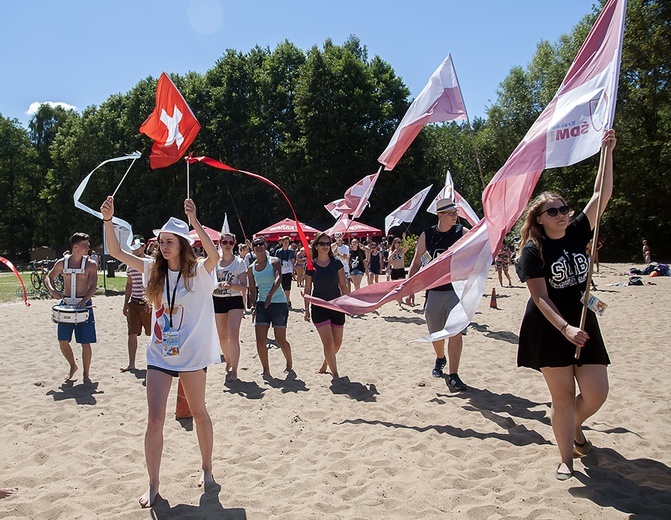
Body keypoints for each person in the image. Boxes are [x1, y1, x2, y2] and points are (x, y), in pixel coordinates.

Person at [101, 196, 220, 508]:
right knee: (155, 419)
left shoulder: (199, 273)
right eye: (160, 241)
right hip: (159, 355)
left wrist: (194, 222)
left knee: (198, 412)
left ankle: (207, 469)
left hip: (192, 355)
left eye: (169, 241)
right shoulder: (152, 268)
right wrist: (108, 220)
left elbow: (214, 254)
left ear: (182, 244)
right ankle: (153, 484)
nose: (163, 246)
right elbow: (115, 251)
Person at [516, 130, 616, 481]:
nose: (561, 214)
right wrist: (565, 328)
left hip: (584, 319)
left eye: (563, 209)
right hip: (551, 326)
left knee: (596, 392)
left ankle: (572, 425)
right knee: (562, 399)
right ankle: (565, 458)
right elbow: (540, 297)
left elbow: (600, 195)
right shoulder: (533, 250)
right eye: (552, 211)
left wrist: (607, 152)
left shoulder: (576, 233)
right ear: (539, 218)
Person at [408, 199, 467, 390]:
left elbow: (481, 245)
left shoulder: (462, 233)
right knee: (436, 333)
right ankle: (440, 358)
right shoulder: (428, 235)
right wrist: (409, 288)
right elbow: (417, 262)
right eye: (450, 213)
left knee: (456, 331)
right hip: (433, 291)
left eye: (455, 212)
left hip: (455, 290)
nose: (454, 215)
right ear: (439, 215)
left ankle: (454, 374)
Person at [46, 233, 99, 384]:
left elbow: (93, 285)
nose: (88, 248)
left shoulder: (91, 264)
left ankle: (86, 374)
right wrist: (52, 290)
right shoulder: (62, 263)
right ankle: (72, 365)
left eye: (88, 245)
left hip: (84, 305)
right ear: (75, 247)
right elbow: (49, 277)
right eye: (84, 245)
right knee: (63, 340)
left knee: (85, 342)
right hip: (66, 304)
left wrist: (85, 300)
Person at [303, 232, 349, 380]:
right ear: (316, 246)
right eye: (322, 244)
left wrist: (348, 304)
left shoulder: (337, 263)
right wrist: (306, 309)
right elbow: (308, 289)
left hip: (336, 305)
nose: (325, 246)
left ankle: (326, 363)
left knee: (337, 344)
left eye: (328, 244)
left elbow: (343, 285)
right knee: (328, 342)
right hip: (319, 307)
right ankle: (335, 374)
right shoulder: (311, 265)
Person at [248, 236, 292, 378]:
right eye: (255, 245)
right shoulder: (251, 268)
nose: (258, 246)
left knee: (280, 339)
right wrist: (253, 306)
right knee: (260, 340)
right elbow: (252, 290)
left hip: (278, 302)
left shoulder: (274, 261)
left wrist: (270, 296)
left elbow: (279, 279)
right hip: (262, 304)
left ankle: (289, 362)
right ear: (253, 249)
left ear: (265, 245)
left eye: (261, 244)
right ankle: (266, 370)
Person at [213, 232, 247, 381]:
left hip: (234, 299)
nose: (227, 245)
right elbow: (207, 284)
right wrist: (217, 285)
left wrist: (231, 285)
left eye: (230, 243)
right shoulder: (215, 263)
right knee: (222, 337)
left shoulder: (239, 262)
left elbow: (244, 287)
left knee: (233, 335)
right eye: (224, 242)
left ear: (234, 244)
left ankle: (235, 370)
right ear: (220, 243)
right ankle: (228, 360)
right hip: (218, 299)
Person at [121, 237, 151, 373]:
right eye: (133, 247)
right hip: (134, 302)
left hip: (148, 304)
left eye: (137, 247)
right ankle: (131, 363)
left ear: (143, 246)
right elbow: (129, 284)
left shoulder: (151, 262)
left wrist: (150, 301)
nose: (135, 249)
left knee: (153, 334)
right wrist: (125, 303)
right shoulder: (130, 264)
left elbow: (155, 283)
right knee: (132, 333)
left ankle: (155, 363)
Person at [388, 233, 409, 306]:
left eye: (400, 242)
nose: (399, 244)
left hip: (401, 269)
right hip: (394, 270)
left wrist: (404, 238)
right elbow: (389, 259)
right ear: (394, 243)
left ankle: (399, 302)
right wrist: (393, 253)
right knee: (395, 287)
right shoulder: (391, 251)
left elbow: (407, 247)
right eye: (398, 242)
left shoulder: (401, 251)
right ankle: (398, 299)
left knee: (401, 286)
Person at [275, 236, 296, 306]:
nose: (286, 243)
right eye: (285, 242)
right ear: (282, 242)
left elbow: (293, 261)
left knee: (288, 286)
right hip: (281, 271)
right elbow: (276, 262)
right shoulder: (278, 251)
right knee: (281, 286)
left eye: (287, 242)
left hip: (288, 270)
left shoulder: (291, 251)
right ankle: (283, 299)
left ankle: (287, 299)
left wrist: (293, 271)